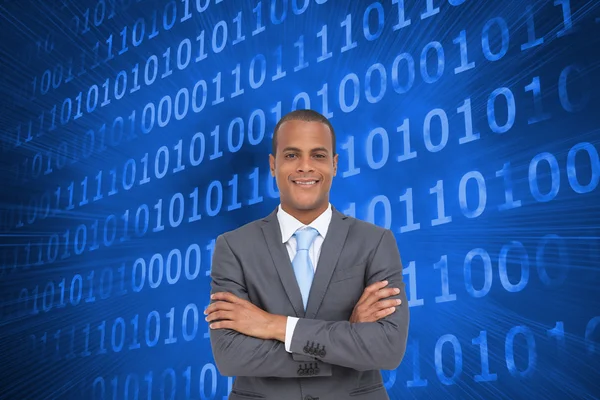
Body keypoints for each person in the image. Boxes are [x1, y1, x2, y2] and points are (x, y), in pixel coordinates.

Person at [205, 109, 409, 400]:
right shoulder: (233, 246)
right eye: (291, 155)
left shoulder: (375, 242)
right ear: (273, 165)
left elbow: (387, 349)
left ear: (335, 165)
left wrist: (272, 325)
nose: (305, 167)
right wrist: (348, 336)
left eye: (318, 155)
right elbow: (230, 356)